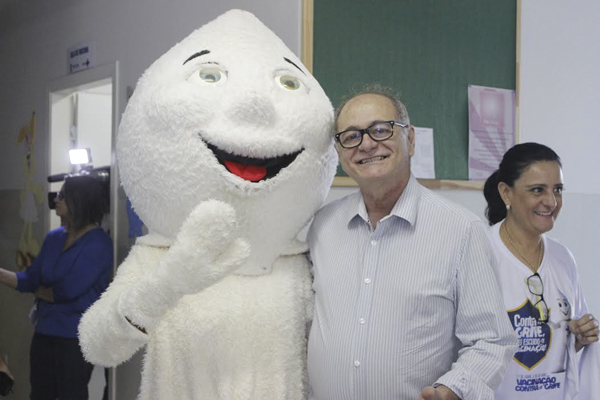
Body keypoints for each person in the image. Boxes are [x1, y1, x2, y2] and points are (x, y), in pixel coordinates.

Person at [307, 85, 518, 400]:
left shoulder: (460, 230)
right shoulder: (321, 226)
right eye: (351, 136)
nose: (366, 144)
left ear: (411, 139)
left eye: (381, 130)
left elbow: (491, 342)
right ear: (339, 153)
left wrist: (454, 388)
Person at [483, 142, 600, 399]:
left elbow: (562, 344)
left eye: (557, 189)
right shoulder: (480, 254)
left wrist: (580, 336)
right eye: (538, 190)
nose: (551, 201)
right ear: (506, 193)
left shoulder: (563, 258)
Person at [0, 175, 113, 400]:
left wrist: (43, 291)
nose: (56, 200)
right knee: (40, 394)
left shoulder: (99, 243)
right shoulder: (54, 238)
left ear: (79, 202)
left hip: (75, 339)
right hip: (44, 334)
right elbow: (31, 280)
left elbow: (67, 290)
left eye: (62, 196)